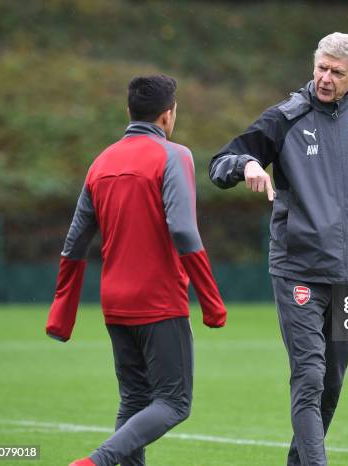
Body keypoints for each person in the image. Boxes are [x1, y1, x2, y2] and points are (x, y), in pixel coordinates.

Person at [209, 32, 348, 466]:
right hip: (299, 272)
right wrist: (247, 164)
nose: (325, 78)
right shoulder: (284, 119)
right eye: (320, 68)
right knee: (309, 377)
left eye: (337, 72)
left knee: (331, 385)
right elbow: (220, 163)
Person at [46, 74, 227, 466]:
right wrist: (211, 301)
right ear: (168, 115)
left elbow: (75, 241)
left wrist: (63, 310)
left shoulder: (101, 162)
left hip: (114, 302)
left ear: (129, 111)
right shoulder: (175, 155)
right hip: (159, 301)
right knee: (174, 403)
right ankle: (96, 462)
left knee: (134, 400)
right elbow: (182, 228)